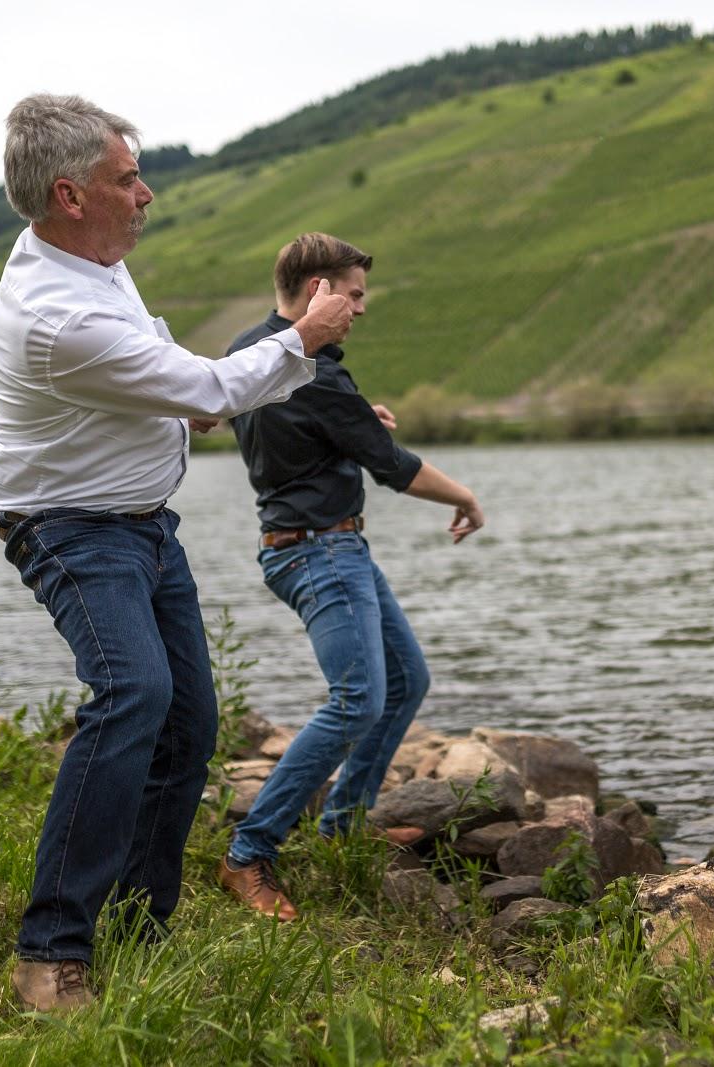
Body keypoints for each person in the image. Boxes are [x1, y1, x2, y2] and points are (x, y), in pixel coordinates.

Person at [0, 97, 353, 1013]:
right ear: (69, 194)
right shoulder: (56, 313)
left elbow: (168, 380)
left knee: (189, 722)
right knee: (133, 693)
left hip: (141, 520)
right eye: (125, 178)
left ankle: (137, 926)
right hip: (65, 523)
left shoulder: (95, 259)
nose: (145, 193)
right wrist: (301, 338)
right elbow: (211, 386)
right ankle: (51, 949)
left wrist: (196, 399)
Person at [218, 232, 485, 921]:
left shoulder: (251, 350)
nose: (360, 309)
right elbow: (393, 467)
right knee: (358, 698)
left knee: (405, 681)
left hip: (323, 546)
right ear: (319, 291)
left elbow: (285, 433)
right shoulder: (317, 373)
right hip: (318, 551)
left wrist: (351, 421)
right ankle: (249, 851)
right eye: (354, 294)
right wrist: (463, 496)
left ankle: (340, 824)